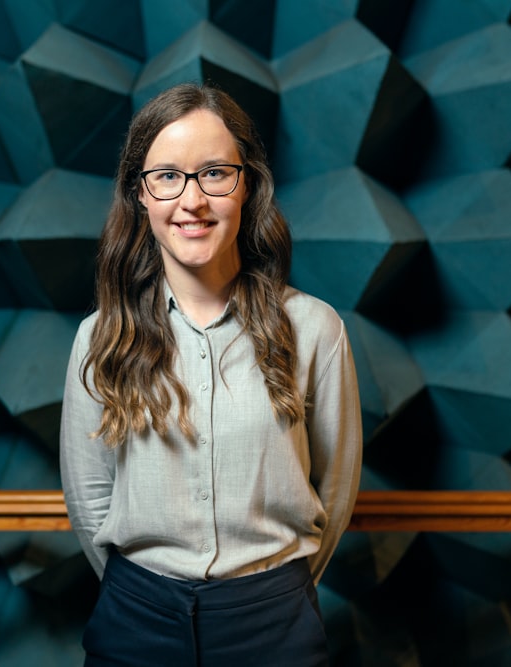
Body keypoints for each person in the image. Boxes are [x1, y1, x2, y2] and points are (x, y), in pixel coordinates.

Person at [59, 81, 362, 667]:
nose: (191, 200)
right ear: (141, 195)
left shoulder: (316, 329)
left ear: (247, 184)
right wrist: (144, 593)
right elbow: (89, 497)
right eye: (168, 176)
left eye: (215, 173)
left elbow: (337, 488)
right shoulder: (99, 338)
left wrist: (272, 596)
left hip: (275, 619)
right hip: (135, 617)